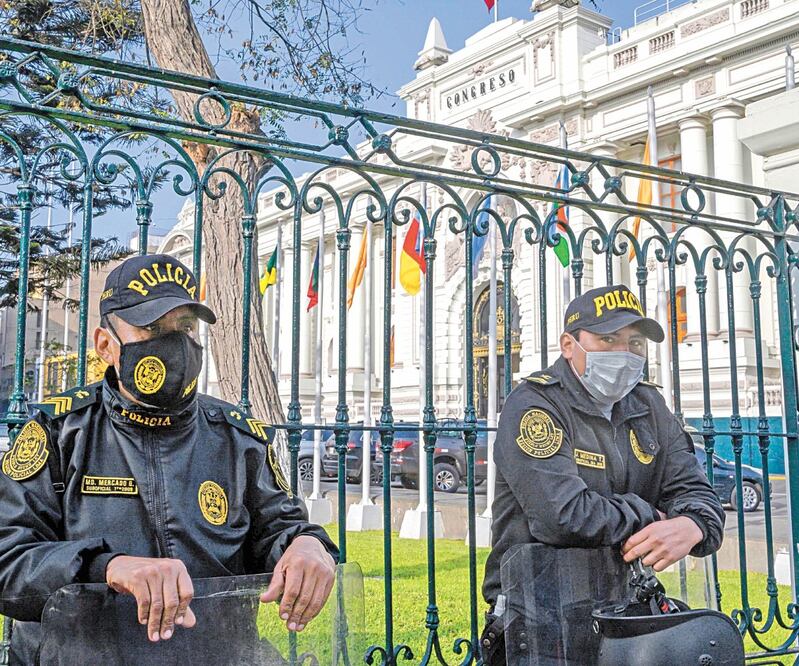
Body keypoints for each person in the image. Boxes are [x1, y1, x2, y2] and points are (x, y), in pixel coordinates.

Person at [0, 254, 338, 664]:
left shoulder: (237, 439)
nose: (176, 343)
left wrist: (307, 545)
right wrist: (107, 567)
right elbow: (8, 561)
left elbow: (281, 529)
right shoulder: (59, 434)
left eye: (186, 328)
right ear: (106, 345)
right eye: (154, 328)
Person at [480, 284, 725, 665]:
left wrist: (694, 524)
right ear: (568, 345)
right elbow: (562, 515)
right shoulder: (534, 404)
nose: (623, 353)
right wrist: (653, 517)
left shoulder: (649, 404)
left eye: (635, 343)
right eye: (607, 338)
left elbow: (694, 488)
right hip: (539, 621)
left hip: (628, 617)